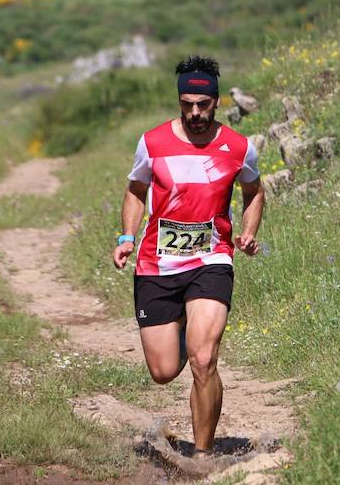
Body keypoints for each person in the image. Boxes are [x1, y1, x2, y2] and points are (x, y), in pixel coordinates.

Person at [112, 55, 265, 459]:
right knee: (163, 372)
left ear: (216, 102)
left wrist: (248, 233)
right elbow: (134, 189)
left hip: (211, 258)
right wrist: (127, 235)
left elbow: (254, 192)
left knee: (203, 357)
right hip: (156, 264)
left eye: (203, 104)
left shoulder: (239, 147)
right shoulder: (152, 142)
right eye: (186, 104)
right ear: (179, 101)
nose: (195, 113)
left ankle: (202, 456)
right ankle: (182, 323)